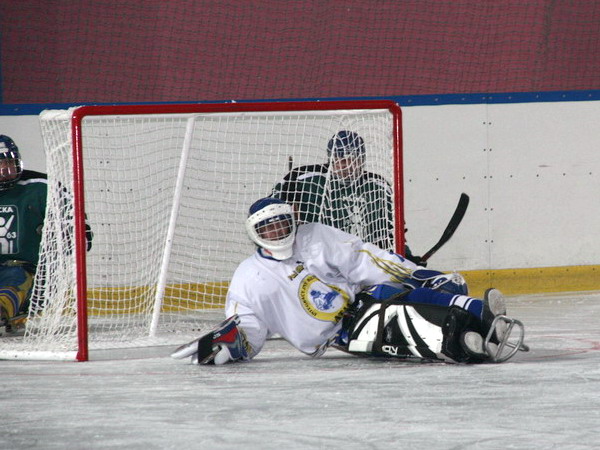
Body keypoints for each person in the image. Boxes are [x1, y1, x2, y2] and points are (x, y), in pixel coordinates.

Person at [172, 197, 527, 366]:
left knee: (399, 293)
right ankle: (466, 339)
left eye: (281, 223)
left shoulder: (313, 236)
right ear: (255, 234)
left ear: (291, 221)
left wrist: (415, 273)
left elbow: (362, 259)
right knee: (405, 325)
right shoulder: (248, 278)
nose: (277, 231)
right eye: (268, 227)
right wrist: (231, 344)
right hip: (341, 335)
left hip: (362, 298)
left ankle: (478, 314)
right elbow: (248, 330)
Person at [271, 130, 426, 265]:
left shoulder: (378, 186)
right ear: (331, 159)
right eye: (341, 159)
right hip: (313, 259)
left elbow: (391, 232)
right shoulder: (301, 178)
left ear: (362, 159)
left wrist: (406, 256)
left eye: (354, 159)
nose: (347, 165)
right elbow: (268, 213)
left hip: (363, 262)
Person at [0, 135, 91, 332]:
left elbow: (83, 238)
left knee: (15, 276)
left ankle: (3, 306)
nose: (4, 171)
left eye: (8, 164)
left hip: (32, 275)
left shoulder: (42, 188)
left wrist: (66, 237)